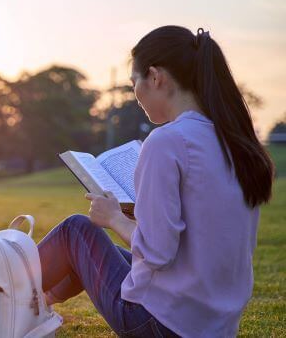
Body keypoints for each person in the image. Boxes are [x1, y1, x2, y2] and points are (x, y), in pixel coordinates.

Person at [37, 26, 274, 337]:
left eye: (134, 81)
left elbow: (157, 253)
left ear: (155, 76)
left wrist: (113, 217)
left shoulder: (167, 141)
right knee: (94, 249)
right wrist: (139, 214)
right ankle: (39, 303)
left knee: (76, 231)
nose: (135, 94)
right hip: (214, 324)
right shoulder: (234, 143)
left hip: (162, 323)